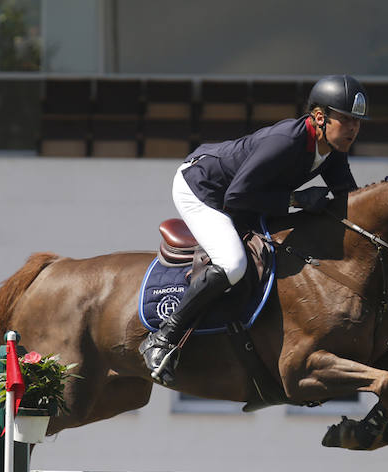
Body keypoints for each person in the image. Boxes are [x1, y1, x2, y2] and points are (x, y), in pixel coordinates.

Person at [140, 74, 369, 385]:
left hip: (244, 195)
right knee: (233, 264)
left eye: (357, 121)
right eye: (346, 119)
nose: (354, 128)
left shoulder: (332, 151)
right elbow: (236, 196)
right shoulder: (287, 141)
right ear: (319, 117)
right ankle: (163, 338)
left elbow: (349, 198)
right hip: (204, 188)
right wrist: (296, 199)